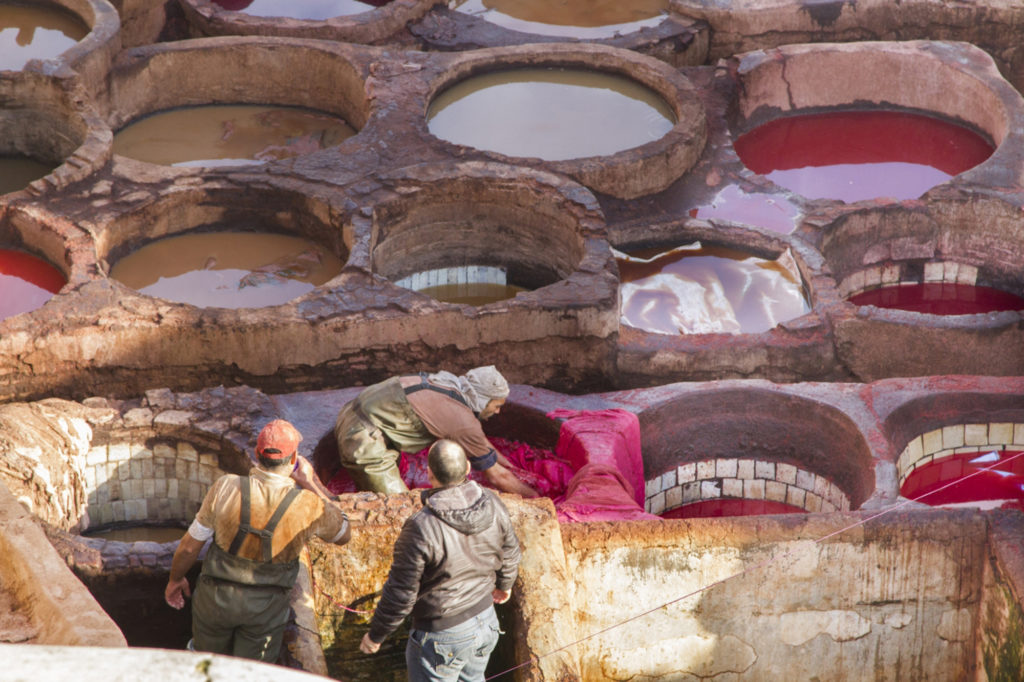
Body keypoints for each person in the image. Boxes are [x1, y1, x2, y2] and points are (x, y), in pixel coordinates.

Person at [164, 419, 351, 662]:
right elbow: (344, 533)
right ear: (294, 459)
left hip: (215, 602)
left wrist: (175, 579)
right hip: (265, 610)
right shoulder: (309, 504)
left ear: (256, 454)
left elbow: (190, 546)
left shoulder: (225, 486)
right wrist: (309, 482)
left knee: (205, 664)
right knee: (252, 671)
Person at [359, 439, 521, 682]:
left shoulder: (421, 526)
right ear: (468, 467)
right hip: (485, 620)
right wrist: (505, 584)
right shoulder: (492, 502)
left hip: (442, 635)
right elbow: (511, 549)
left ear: (429, 473)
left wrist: (376, 635)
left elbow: (401, 593)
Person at [334, 366, 538, 497]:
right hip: (361, 439)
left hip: (353, 414)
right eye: (496, 405)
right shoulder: (462, 420)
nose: (498, 411)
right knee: (402, 511)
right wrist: (537, 499)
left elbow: (479, 442)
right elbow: (497, 478)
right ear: (483, 400)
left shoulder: (446, 384)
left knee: (375, 491)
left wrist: (510, 466)